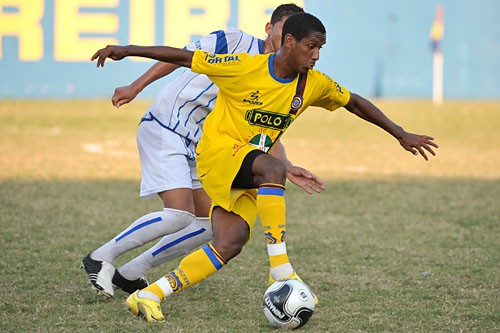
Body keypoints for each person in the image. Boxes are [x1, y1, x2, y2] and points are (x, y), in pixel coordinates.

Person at [92, 12, 438, 322]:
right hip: (217, 154)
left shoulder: (311, 84)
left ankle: (150, 294)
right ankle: (281, 271)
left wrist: (400, 134)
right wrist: (127, 49)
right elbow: (183, 57)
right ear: (289, 41)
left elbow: (355, 103)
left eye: (321, 48)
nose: (316, 55)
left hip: (246, 165)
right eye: (310, 46)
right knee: (273, 169)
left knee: (231, 240)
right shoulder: (243, 66)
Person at [81, 4, 320, 299]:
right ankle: (101, 256)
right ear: (271, 30)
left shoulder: (277, 76)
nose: (288, 42)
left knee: (210, 225)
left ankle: (131, 273)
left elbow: (261, 130)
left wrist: (287, 165)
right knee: (179, 214)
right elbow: (180, 57)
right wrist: (136, 86)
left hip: (204, 146)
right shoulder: (233, 41)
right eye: (284, 32)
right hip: (167, 126)